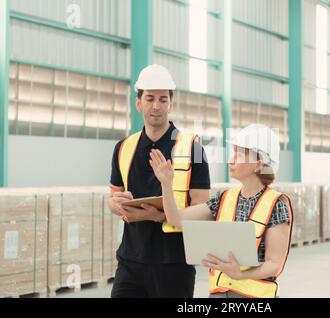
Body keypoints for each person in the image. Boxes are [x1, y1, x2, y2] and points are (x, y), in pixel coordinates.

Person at [149, 124, 293, 298]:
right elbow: (176, 219)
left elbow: (274, 264)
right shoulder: (224, 198)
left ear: (258, 164)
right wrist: (166, 183)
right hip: (219, 294)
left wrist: (241, 274)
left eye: (239, 154)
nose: (231, 160)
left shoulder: (277, 204)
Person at [108, 64, 211, 298]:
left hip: (174, 264)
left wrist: (162, 215)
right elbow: (112, 197)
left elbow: (202, 210)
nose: (156, 106)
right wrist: (114, 204)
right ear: (138, 103)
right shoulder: (123, 148)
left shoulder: (192, 147)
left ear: (171, 104)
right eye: (150, 98)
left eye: (163, 99)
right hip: (130, 263)